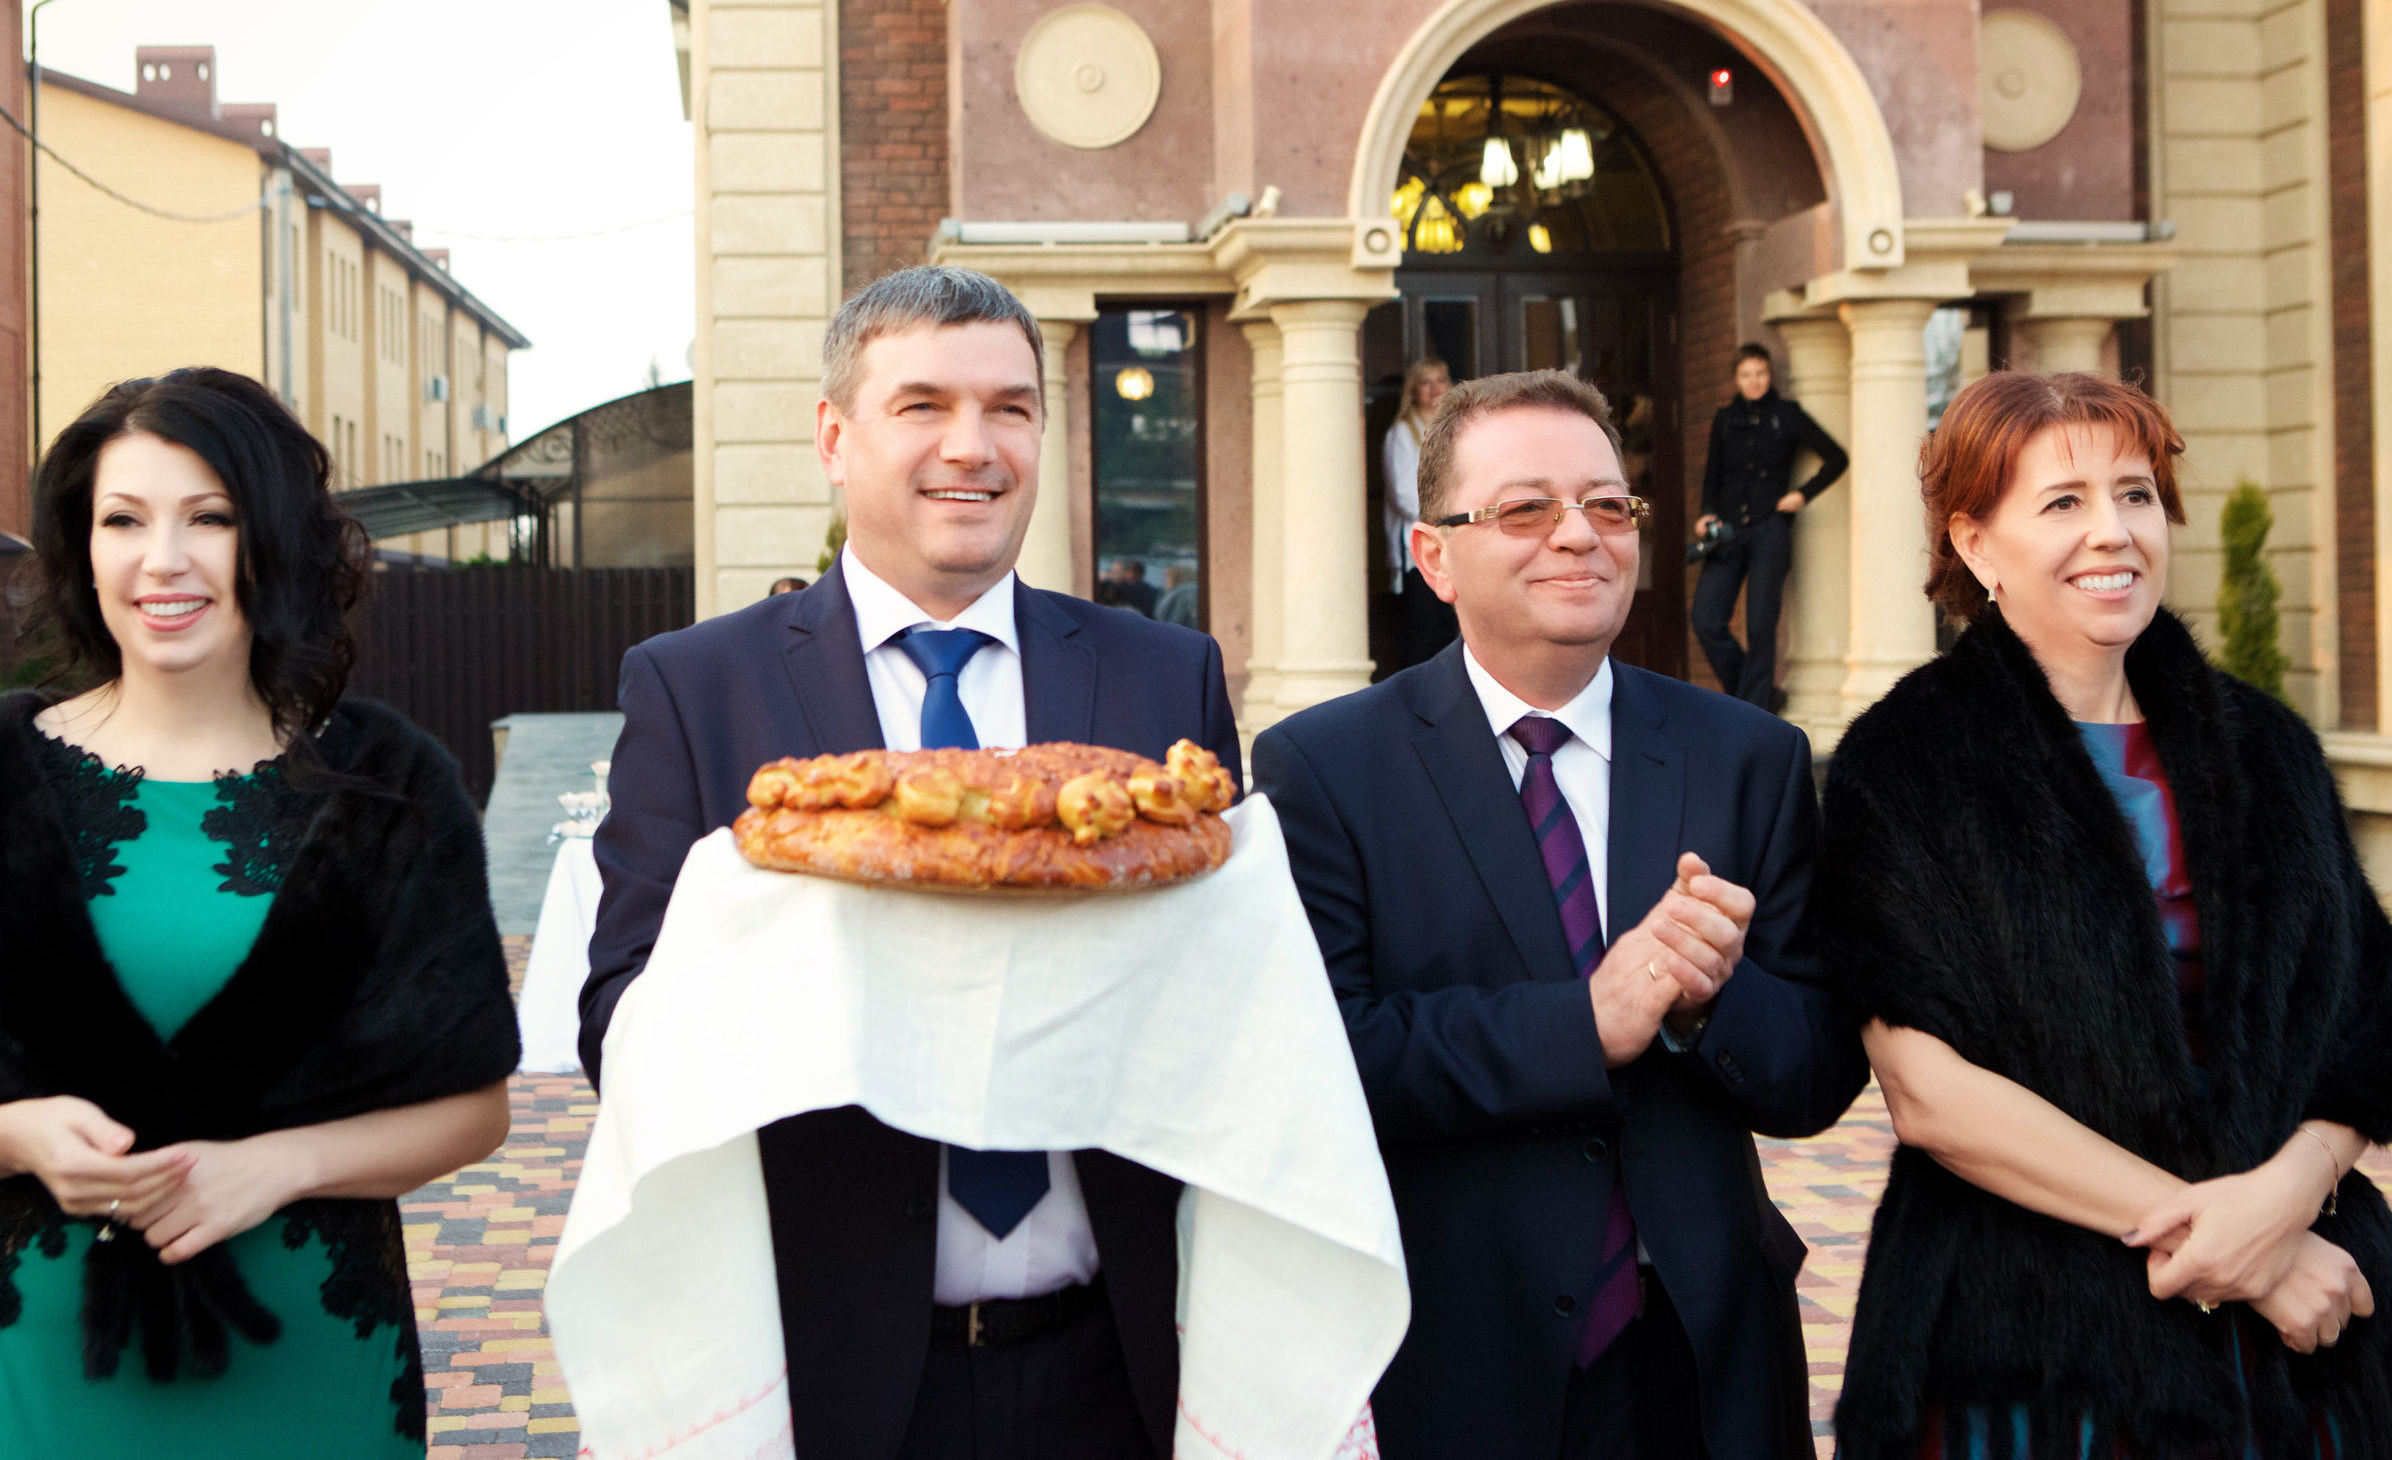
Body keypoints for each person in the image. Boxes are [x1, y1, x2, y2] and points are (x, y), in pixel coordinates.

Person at [579, 266, 1242, 1460]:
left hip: (1125, 1359)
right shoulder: (695, 688)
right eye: (922, 404)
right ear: (835, 437)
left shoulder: (1164, 678)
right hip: (833, 1366)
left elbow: (1236, 988)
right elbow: (619, 1018)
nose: (972, 448)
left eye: (1011, 407)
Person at [0, 368, 518, 1460]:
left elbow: (474, 1109)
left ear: (276, 545)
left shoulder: (389, 787)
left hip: (319, 1368)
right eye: (124, 519)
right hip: (49, 1382)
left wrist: (282, 1162)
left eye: (211, 517)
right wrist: (21, 1135)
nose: (164, 558)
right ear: (83, 545)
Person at [1256, 369, 1868, 1460]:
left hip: (1704, 1365)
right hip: (1454, 1355)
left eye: (1607, 504)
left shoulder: (1748, 758)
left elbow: (1820, 1074)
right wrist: (1585, 1022)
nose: (1578, 535)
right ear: (1431, 554)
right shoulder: (1324, 767)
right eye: (1526, 507)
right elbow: (1321, 1062)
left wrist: (1706, 996)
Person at [1814, 371, 2392, 1459]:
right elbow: (1929, 1091)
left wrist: (2287, 1195)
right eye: (2063, 501)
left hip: (2301, 1351)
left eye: (2134, 492)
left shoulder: (2268, 749)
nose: (2112, 531)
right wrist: (2243, 1252)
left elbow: (2367, 1013)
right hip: (2030, 1344)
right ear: (1975, 543)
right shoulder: (1908, 764)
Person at [1690, 342, 1845, 712]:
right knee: (1706, 619)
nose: (1754, 381)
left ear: (1769, 375)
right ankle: (1760, 696)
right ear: (1736, 379)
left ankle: (1754, 711)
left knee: (1761, 627)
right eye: (1746, 375)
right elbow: (1713, 474)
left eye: (1760, 373)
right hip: (1726, 531)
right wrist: (1706, 512)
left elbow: (1837, 458)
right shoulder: (1725, 419)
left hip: (1769, 531)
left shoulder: (1788, 415)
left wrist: (1802, 495)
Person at [1382, 355, 1457, 668]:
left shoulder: (1456, 429)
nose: (1434, 389)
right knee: (1423, 630)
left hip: (1457, 541)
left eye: (1439, 381)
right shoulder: (1401, 433)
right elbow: (1402, 494)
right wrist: (1443, 518)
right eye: (1426, 382)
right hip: (1422, 541)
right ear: (1414, 390)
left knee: (1452, 629)